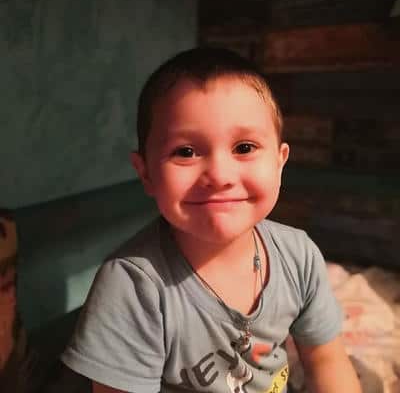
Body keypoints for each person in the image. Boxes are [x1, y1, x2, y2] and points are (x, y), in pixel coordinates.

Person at [61, 47, 361, 393]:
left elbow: (327, 361)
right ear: (146, 174)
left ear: (280, 163)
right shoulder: (134, 286)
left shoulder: (298, 255)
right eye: (186, 152)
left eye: (244, 147)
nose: (219, 175)